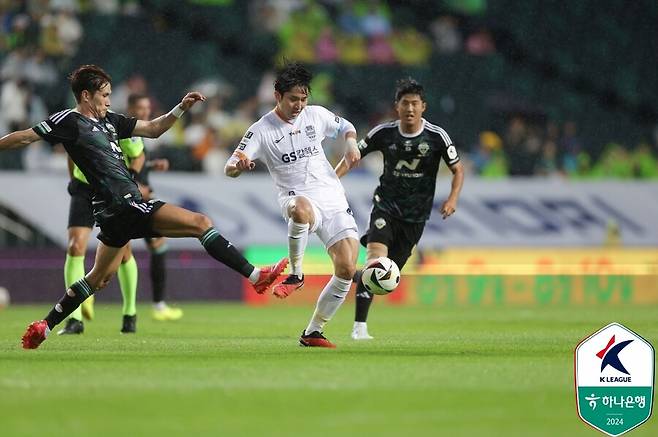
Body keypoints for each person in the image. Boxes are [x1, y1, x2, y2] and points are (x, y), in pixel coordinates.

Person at [0, 65, 287, 349]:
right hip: (124, 205)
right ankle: (256, 276)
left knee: (97, 279)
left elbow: (153, 129)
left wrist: (180, 109)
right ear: (86, 95)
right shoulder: (68, 121)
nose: (109, 100)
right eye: (104, 95)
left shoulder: (110, 120)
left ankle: (44, 326)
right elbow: (25, 136)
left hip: (112, 215)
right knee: (200, 223)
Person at [225, 61, 360, 348]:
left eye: (303, 98)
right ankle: (296, 274)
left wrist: (350, 143)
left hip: (332, 197)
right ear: (277, 96)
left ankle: (313, 332)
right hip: (295, 195)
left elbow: (346, 126)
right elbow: (230, 166)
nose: (299, 105)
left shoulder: (317, 115)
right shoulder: (261, 130)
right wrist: (239, 165)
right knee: (300, 207)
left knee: (347, 268)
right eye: (293, 99)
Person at [335, 78, 464, 340]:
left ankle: (358, 277)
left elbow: (457, 170)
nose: (410, 108)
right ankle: (359, 327)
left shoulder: (437, 136)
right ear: (397, 106)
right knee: (376, 262)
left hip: (416, 216)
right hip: (386, 206)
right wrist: (331, 182)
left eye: (415, 104)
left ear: (423, 107)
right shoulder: (383, 133)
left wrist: (452, 199)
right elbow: (353, 157)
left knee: (387, 278)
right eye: (405, 103)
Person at [120, 93, 183, 322]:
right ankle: (93, 299)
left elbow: (132, 160)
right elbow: (118, 163)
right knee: (119, 253)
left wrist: (151, 165)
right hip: (128, 196)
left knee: (157, 245)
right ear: (130, 108)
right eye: (140, 108)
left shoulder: (137, 132)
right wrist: (136, 185)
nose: (145, 112)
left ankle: (157, 305)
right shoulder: (125, 130)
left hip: (141, 194)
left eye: (147, 108)